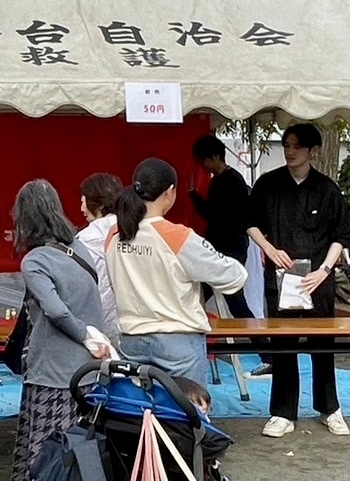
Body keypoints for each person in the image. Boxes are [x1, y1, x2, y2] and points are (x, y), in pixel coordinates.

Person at [246, 123, 350, 438]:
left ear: (313, 151)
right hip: (280, 276)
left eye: (296, 147)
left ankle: (329, 408)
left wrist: (324, 270)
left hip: (318, 279)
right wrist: (269, 249)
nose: (290, 152)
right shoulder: (268, 184)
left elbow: (340, 236)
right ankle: (283, 412)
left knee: (323, 345)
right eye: (286, 146)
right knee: (283, 345)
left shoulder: (328, 189)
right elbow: (251, 223)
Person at [105, 158, 248, 382]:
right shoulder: (177, 236)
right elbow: (233, 277)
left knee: (139, 414)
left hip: (131, 340)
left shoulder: (115, 234)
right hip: (177, 341)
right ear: (170, 191)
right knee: (185, 413)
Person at [11, 180, 111, 481]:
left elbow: (55, 310)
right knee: (80, 450)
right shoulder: (77, 247)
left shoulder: (35, 260)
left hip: (51, 373)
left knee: (43, 454)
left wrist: (84, 335)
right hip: (88, 372)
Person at [189, 135, 254, 319]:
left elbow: (218, 214)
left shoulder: (234, 181)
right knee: (206, 292)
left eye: (204, 160)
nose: (203, 165)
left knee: (233, 297)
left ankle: (258, 338)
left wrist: (194, 195)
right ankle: (257, 337)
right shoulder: (216, 181)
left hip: (232, 247)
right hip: (217, 246)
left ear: (215, 157)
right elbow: (212, 214)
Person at [75, 172, 123, 338]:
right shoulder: (135, 230)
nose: (82, 209)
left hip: (94, 325)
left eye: (83, 203)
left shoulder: (84, 238)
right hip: (130, 325)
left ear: (98, 204)